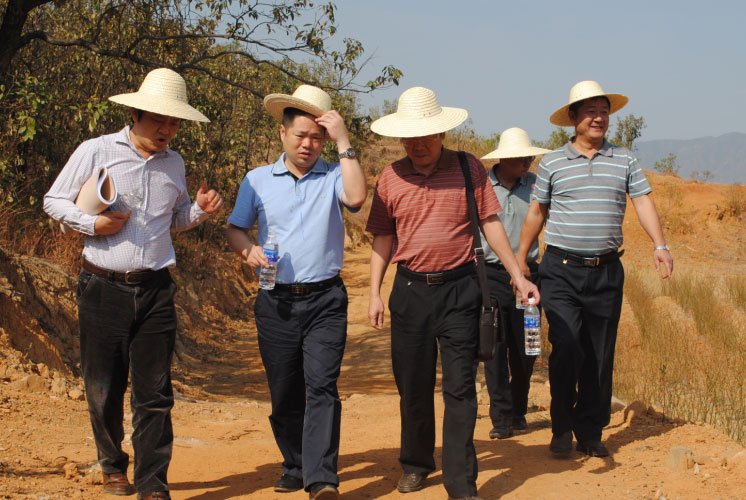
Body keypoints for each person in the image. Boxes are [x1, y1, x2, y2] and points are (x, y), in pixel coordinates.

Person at [43, 68, 223, 500]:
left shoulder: (175, 163)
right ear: (136, 114)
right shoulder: (96, 150)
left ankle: (152, 483)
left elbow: (174, 220)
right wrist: (93, 224)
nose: (167, 130)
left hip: (157, 288)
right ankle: (112, 467)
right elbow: (53, 200)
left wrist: (199, 210)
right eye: (159, 119)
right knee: (103, 387)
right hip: (103, 287)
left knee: (155, 393)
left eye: (174, 123)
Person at [366, 87, 539, 500]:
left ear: (441, 133)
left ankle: (461, 483)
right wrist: (374, 292)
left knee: (460, 388)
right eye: (410, 137)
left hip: (461, 291)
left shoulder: (468, 168)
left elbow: (490, 223)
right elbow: (383, 237)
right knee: (413, 385)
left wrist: (517, 274)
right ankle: (416, 464)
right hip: (410, 291)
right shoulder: (390, 177)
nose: (418, 145)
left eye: (426, 136)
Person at [517, 80, 674, 459]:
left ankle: (590, 432)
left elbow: (643, 202)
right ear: (573, 118)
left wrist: (660, 244)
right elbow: (537, 212)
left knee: (599, 354)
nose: (599, 118)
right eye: (590, 112)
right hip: (560, 269)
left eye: (604, 111)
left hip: (606, 271)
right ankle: (561, 427)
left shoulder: (625, 160)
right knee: (566, 345)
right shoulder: (553, 162)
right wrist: (521, 259)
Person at [225, 85, 366, 500]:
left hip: (326, 299)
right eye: (301, 135)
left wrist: (343, 139)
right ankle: (296, 465)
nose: (308, 144)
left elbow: (357, 198)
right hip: (276, 300)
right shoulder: (256, 180)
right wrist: (248, 251)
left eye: (317, 137)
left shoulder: (335, 174)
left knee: (322, 385)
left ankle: (321, 478)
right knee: (284, 389)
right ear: (283, 133)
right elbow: (235, 229)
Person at [478, 127, 549, 440]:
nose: (527, 162)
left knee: (528, 347)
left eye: (529, 157)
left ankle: (519, 408)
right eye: (521, 158)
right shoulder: (482, 186)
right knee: (494, 348)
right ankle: (501, 417)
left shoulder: (536, 186)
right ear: (504, 159)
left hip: (529, 278)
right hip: (490, 277)